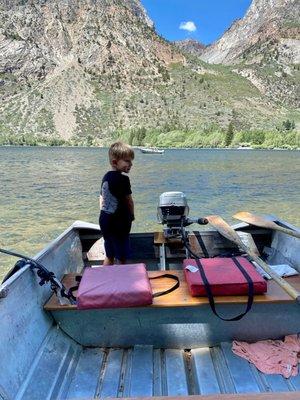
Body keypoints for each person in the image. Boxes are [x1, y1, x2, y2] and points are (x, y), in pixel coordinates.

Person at [99, 141, 135, 265]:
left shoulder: (106, 177)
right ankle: (121, 281)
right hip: (119, 223)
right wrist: (132, 216)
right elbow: (129, 201)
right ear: (115, 162)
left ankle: (105, 280)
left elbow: (102, 198)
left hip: (105, 220)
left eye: (131, 161)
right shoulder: (124, 179)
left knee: (109, 254)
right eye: (127, 161)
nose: (131, 164)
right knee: (122, 256)